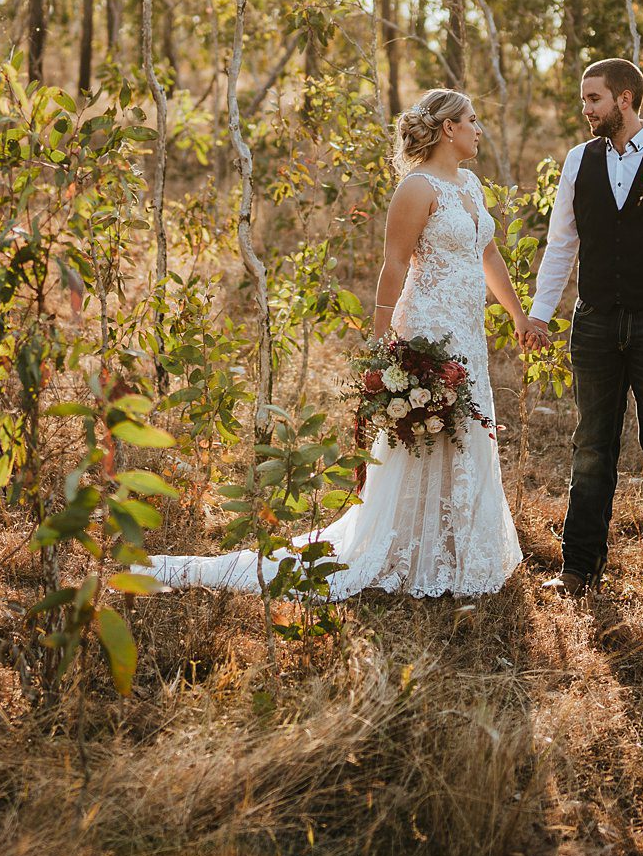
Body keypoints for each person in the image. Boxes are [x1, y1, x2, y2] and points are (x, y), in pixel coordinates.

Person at [140, 89, 544, 598]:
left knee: (465, 431)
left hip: (468, 331)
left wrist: (518, 315)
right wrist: (383, 345)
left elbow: (488, 253)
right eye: (472, 118)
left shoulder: (469, 184)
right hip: (429, 330)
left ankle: (454, 548)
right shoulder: (416, 189)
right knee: (424, 435)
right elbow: (394, 265)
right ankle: (403, 549)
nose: (479, 128)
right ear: (448, 129)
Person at [530, 58, 643, 605]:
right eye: (584, 99)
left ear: (625, 99)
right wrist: (541, 313)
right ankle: (579, 567)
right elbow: (561, 244)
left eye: (594, 99)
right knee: (590, 447)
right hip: (593, 323)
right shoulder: (577, 161)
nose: (585, 109)